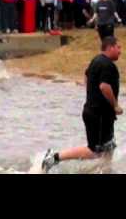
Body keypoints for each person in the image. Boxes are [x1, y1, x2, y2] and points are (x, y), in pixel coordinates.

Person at [42, 37, 123, 173]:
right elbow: (104, 86)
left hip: (97, 112)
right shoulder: (107, 65)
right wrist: (115, 105)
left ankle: (106, 171)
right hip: (98, 114)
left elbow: (86, 76)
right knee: (94, 151)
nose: (120, 51)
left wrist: (92, 93)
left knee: (109, 146)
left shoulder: (96, 60)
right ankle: (54, 158)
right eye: (118, 47)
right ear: (110, 47)